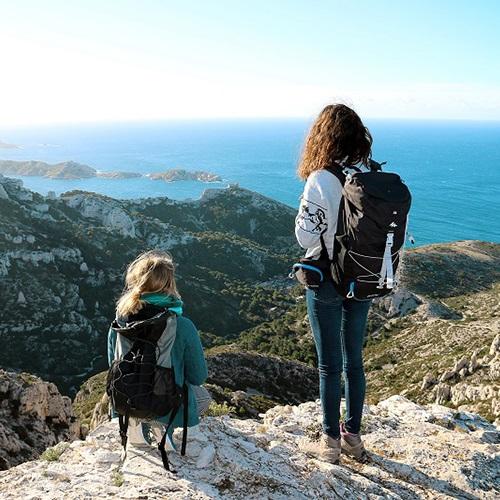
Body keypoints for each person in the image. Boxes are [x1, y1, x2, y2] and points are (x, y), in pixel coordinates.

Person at [295, 104, 372, 464]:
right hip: (364, 277)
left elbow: (303, 234)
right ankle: (354, 439)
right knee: (354, 361)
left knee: (329, 365)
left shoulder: (321, 178)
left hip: (327, 278)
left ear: (321, 137)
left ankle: (330, 443)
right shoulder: (371, 172)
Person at [107, 250, 209, 453]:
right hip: (166, 398)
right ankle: (163, 424)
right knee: (203, 397)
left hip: (125, 398)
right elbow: (198, 376)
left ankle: (136, 421)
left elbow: (113, 364)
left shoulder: (118, 324)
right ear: (170, 284)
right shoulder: (182, 325)